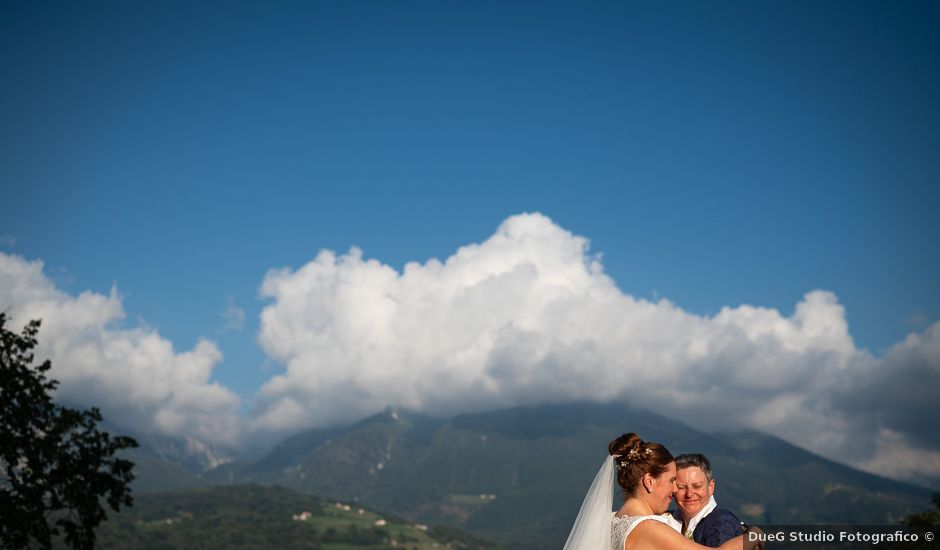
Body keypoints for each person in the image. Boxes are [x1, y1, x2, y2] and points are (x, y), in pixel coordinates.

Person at [562, 433, 761, 550]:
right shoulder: (649, 529)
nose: (675, 489)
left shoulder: (610, 520)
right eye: (672, 481)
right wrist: (755, 535)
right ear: (649, 481)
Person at [671, 453, 744, 547]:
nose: (689, 494)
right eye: (681, 487)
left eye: (697, 486)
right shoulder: (667, 519)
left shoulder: (723, 524)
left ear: (710, 487)